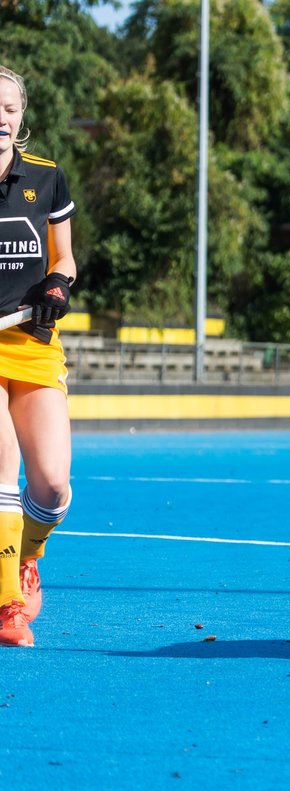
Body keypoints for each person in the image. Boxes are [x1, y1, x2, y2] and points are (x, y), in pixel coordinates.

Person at [0, 67, 77, 647]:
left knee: (51, 485)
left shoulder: (46, 178)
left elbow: (64, 258)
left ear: (21, 115)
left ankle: (28, 556)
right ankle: (8, 605)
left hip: (32, 343)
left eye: (8, 108)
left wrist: (57, 286)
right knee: (2, 471)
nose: (0, 119)